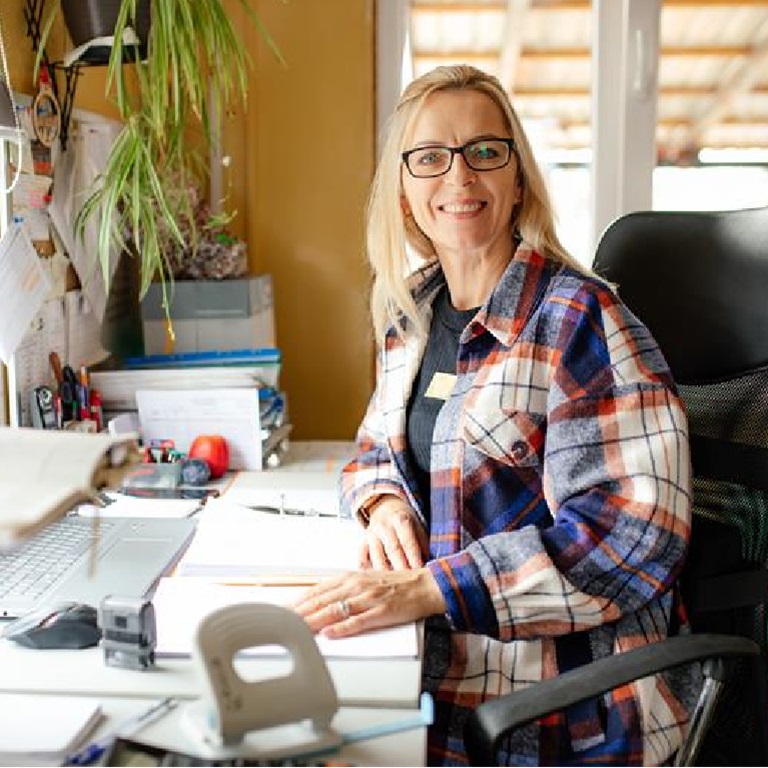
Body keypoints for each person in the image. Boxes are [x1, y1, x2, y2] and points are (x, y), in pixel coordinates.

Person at [293, 64, 698, 766]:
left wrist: (427, 588)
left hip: (557, 713)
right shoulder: (410, 318)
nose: (459, 176)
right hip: (434, 674)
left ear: (518, 182)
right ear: (404, 192)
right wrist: (383, 504)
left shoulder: (582, 320)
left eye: (485, 151)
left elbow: (631, 535)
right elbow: (373, 452)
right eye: (430, 157)